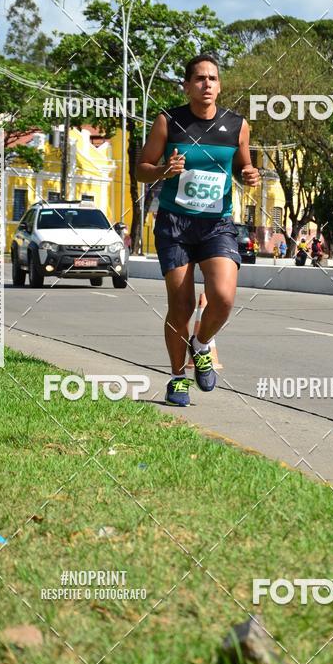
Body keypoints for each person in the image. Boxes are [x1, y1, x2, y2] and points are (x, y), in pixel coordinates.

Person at [136, 54, 260, 407]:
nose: (207, 84)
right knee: (182, 304)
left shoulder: (237, 125)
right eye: (200, 79)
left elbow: (242, 167)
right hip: (175, 225)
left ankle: (201, 344)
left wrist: (248, 174)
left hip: (217, 224)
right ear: (187, 85)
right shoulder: (168, 121)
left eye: (213, 78)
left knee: (223, 297)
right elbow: (141, 169)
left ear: (220, 86)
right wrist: (163, 171)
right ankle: (177, 378)